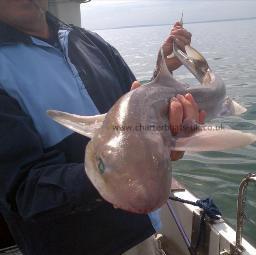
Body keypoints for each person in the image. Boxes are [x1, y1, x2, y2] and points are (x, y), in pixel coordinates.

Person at [0, 0, 205, 254]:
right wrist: (114, 173)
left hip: (142, 233)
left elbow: (136, 102)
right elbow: (21, 190)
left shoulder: (88, 42)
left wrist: (162, 71)